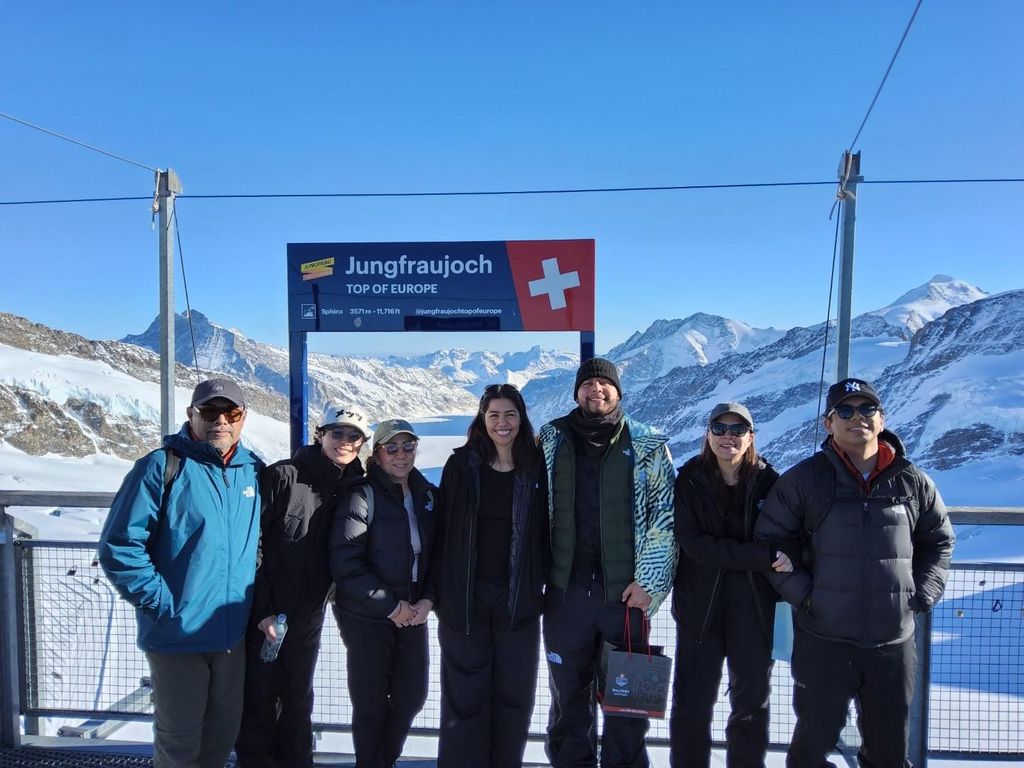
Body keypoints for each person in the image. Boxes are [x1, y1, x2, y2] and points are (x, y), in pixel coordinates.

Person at [754, 378, 955, 768]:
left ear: (881, 420)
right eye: (844, 411)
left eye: (866, 410)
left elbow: (938, 540)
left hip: (892, 644)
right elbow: (769, 541)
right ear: (828, 423)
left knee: (889, 753)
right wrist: (807, 595)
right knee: (811, 748)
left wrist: (923, 592)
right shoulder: (805, 480)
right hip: (824, 640)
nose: (856, 418)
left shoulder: (911, 480)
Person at [98, 378, 263, 768]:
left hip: (231, 637)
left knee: (221, 740)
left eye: (231, 413)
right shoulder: (161, 466)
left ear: (243, 419)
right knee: (179, 747)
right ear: (191, 415)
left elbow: (258, 543)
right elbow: (120, 546)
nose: (220, 420)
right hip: (178, 639)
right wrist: (165, 606)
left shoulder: (251, 471)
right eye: (209, 412)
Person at [539, 357, 676, 768]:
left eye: (604, 384)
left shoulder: (648, 444)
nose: (595, 390)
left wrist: (649, 583)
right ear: (576, 392)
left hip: (626, 596)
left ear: (618, 392)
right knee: (568, 695)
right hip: (566, 592)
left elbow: (664, 520)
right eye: (588, 384)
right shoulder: (552, 438)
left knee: (629, 699)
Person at [235, 402, 372, 767]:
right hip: (264, 614)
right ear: (320, 434)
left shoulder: (356, 487)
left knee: (297, 699)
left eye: (353, 436)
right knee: (259, 701)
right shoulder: (283, 476)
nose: (345, 441)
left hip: (308, 614)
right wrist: (262, 609)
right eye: (337, 432)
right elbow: (252, 544)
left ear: (362, 443)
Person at [670, 402, 792, 768]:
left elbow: (794, 534)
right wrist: (761, 555)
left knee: (751, 706)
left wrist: (783, 552)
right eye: (720, 429)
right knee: (692, 704)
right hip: (699, 610)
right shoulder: (689, 479)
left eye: (737, 430)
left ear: (751, 436)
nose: (728, 437)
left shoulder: (771, 481)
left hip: (755, 610)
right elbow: (693, 543)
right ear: (707, 434)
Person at [435, 383, 549, 768]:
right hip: (465, 598)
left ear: (522, 418)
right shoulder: (461, 465)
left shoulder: (537, 465)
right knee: (464, 697)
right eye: (494, 415)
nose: (502, 423)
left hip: (518, 598)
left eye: (510, 414)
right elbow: (441, 531)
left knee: (514, 696)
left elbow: (552, 528)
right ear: (482, 420)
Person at [329, 418, 439, 768]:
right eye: (391, 448)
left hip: (412, 614)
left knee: (411, 697)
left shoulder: (426, 495)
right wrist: (391, 607)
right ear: (376, 455)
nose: (401, 455)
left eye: (408, 446)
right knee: (371, 704)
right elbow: (346, 562)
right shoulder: (362, 495)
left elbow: (439, 556)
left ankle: (383, 761)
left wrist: (427, 600)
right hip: (367, 618)